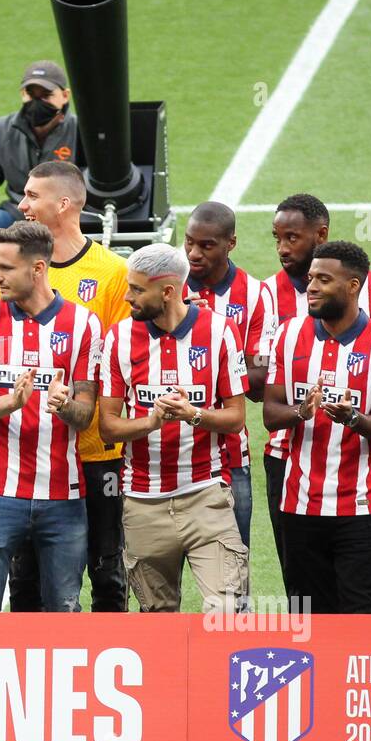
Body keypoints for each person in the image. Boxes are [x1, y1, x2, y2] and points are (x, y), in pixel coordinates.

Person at [0, 160, 131, 612]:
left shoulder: (113, 273)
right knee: (25, 578)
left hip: (94, 454)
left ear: (63, 204)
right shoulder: (6, 270)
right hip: (31, 457)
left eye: (32, 195)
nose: (21, 203)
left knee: (107, 573)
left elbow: (122, 365)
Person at [263, 193, 371, 610]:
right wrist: (301, 410)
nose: (284, 248)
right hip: (294, 482)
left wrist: (354, 416)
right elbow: (267, 407)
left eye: (292, 237)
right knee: (305, 602)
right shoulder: (285, 324)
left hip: (357, 491)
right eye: (277, 238)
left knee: (364, 597)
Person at [99, 244, 250, 612]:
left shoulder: (220, 332)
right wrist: (151, 421)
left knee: (227, 612)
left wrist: (192, 414)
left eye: (136, 289)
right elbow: (108, 428)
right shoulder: (118, 339)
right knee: (158, 620)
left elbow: (236, 417)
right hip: (142, 503)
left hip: (206, 496)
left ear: (168, 291)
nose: (127, 296)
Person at [0, 220, 101, 613]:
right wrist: (11, 402)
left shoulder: (83, 324)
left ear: (38, 269)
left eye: (6, 267)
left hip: (63, 496)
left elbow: (86, 414)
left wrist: (64, 405)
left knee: (64, 607)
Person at [0, 60, 78, 308]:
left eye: (46, 95)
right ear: (22, 94)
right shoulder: (2, 129)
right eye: (31, 94)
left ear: (65, 95)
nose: (37, 102)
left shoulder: (81, 130)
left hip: (66, 215)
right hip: (19, 212)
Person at [182, 201, 272, 550]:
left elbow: (260, 381)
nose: (194, 253)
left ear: (230, 243)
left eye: (206, 245)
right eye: (189, 242)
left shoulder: (255, 294)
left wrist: (210, 333)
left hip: (229, 458)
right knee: (157, 585)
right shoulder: (168, 284)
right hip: (160, 458)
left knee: (233, 577)